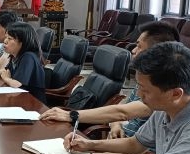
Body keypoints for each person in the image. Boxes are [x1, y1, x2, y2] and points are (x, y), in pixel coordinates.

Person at [40, 21, 180, 141]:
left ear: (155, 52)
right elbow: (122, 112)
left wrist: (71, 115)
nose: (133, 50)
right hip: (120, 146)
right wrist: (116, 124)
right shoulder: (145, 79)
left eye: (139, 46)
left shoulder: (164, 90)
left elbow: (123, 112)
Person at [0, 21, 45, 102]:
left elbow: (17, 84)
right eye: (6, 37)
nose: (5, 41)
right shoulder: (15, 56)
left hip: (33, 103)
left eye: (9, 38)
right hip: (19, 98)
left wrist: (6, 79)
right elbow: (6, 72)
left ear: (22, 42)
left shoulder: (28, 57)